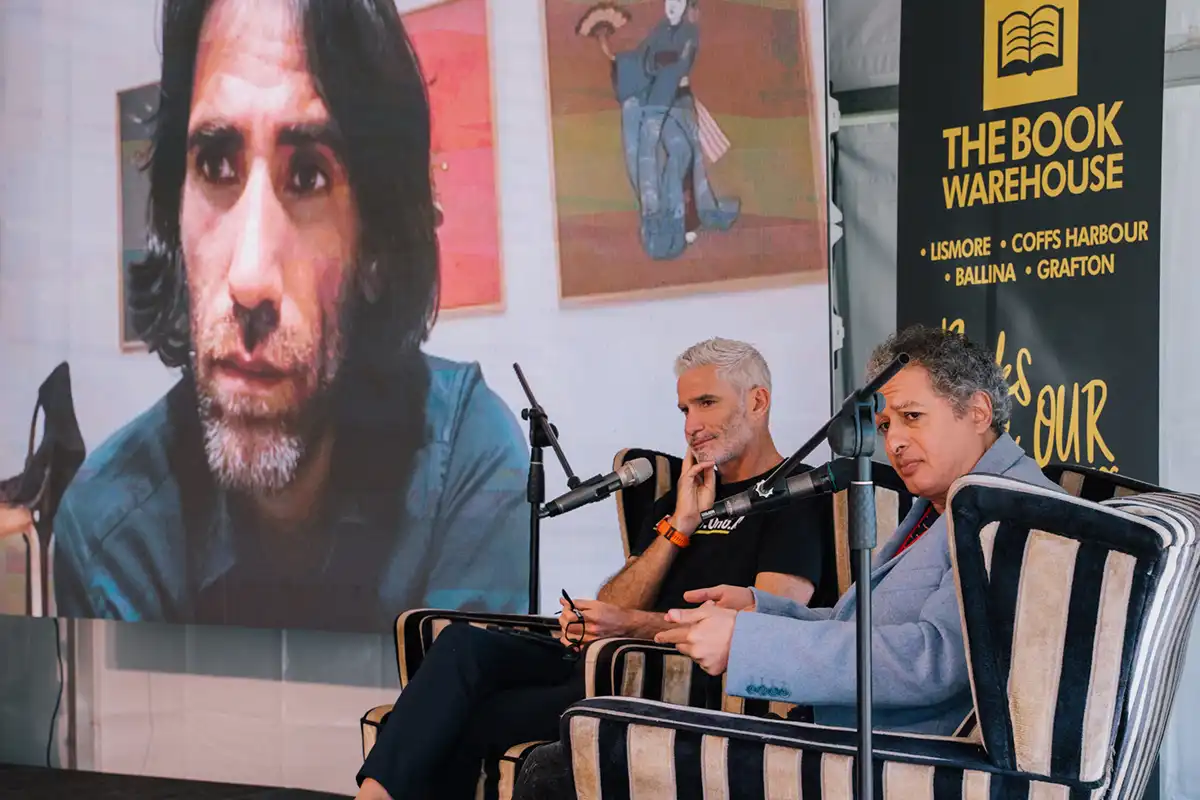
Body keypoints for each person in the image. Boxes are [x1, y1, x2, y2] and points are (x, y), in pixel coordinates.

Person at [50, 0, 529, 632]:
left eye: (308, 176)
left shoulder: (468, 467)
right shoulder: (109, 532)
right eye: (216, 166)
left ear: (377, 245)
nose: (249, 279)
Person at [509, 325, 1065, 800]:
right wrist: (759, 611)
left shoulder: (1008, 510)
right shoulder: (944, 505)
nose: (894, 441)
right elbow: (862, 626)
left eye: (912, 417)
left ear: (977, 411)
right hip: (842, 733)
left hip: (899, 758)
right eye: (886, 424)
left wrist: (747, 643)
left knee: (566, 764)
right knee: (574, 745)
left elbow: (936, 661)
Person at [355, 338, 834, 800]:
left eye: (706, 403)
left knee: (457, 719)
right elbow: (617, 603)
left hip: (667, 678)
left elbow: (768, 627)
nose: (692, 425)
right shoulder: (680, 495)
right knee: (462, 644)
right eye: (684, 410)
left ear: (757, 401)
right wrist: (679, 526)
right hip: (603, 660)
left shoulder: (794, 495)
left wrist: (629, 625)